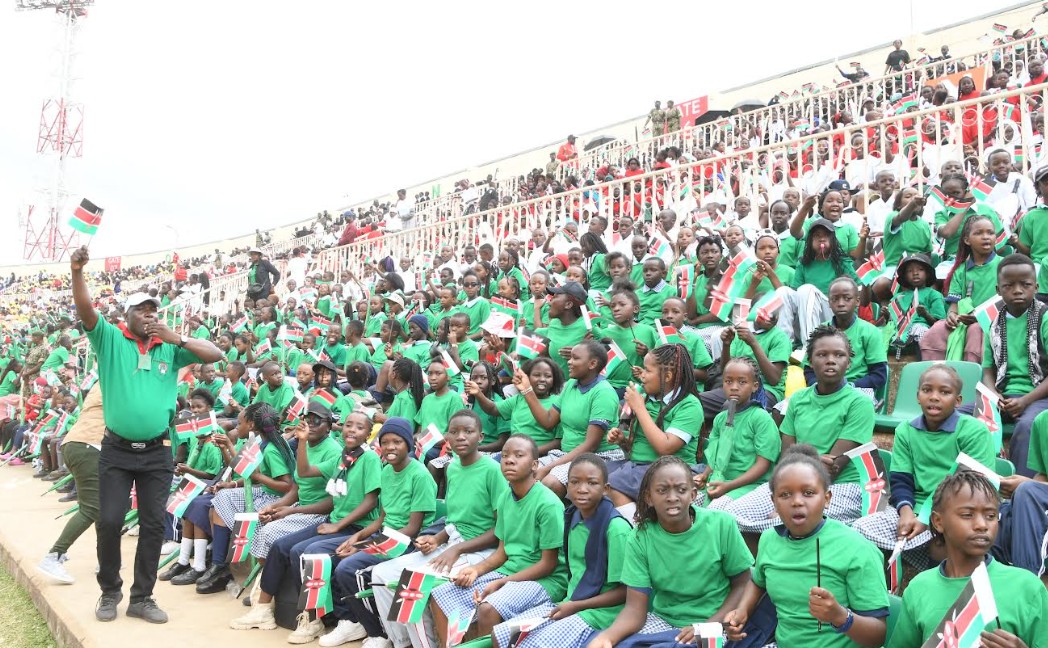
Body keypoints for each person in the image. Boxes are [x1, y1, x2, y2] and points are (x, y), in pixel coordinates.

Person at [70, 245, 223, 624]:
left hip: (157, 451)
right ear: (127, 317)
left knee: (153, 525)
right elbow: (86, 310)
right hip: (116, 450)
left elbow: (216, 354)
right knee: (109, 521)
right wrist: (77, 272)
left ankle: (142, 597)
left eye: (153, 310)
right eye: (141, 309)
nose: (150, 314)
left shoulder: (170, 348)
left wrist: (177, 338)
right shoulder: (109, 339)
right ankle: (110, 591)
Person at [724, 445, 890, 648]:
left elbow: (877, 637)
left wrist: (840, 617)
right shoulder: (769, 539)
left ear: (827, 499)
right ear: (774, 502)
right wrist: (743, 610)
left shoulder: (858, 549)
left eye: (808, 493)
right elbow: (758, 582)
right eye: (785, 495)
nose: (797, 502)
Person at [372, 410, 507, 648]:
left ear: (480, 437)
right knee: (381, 573)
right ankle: (403, 643)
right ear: (447, 438)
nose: (461, 437)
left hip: (480, 550)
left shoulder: (492, 471)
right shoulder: (452, 468)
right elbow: (455, 520)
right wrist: (437, 539)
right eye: (454, 432)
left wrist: (456, 549)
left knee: (412, 585)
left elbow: (500, 531)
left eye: (468, 431)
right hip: (453, 543)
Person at [586, 457, 754, 647]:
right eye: (662, 490)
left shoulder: (721, 524)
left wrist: (708, 626)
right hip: (664, 620)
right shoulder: (640, 537)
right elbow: (634, 609)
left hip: (717, 623)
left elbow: (743, 583)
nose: (672, 497)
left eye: (681, 490)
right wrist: (608, 637)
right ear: (649, 498)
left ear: (693, 494)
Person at [726, 326, 874, 533]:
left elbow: (832, 468)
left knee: (780, 520)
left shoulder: (860, 403)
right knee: (730, 516)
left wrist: (800, 459)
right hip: (792, 480)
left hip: (841, 487)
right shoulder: (798, 399)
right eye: (822, 354)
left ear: (848, 363)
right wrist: (812, 459)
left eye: (839, 355)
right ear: (810, 362)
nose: (830, 360)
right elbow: (786, 456)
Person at [852, 364, 994, 566]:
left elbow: (973, 487)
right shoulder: (905, 431)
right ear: (918, 396)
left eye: (944, 392)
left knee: (942, 543)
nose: (934, 397)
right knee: (860, 529)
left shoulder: (974, 431)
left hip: (955, 510)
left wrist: (927, 520)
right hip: (913, 509)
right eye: (927, 390)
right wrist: (906, 512)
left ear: (958, 400)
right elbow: (901, 480)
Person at [429, 434, 567, 639]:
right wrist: (475, 570)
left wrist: (504, 582)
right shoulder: (505, 497)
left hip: (546, 580)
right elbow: (502, 552)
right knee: (441, 595)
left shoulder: (548, 504)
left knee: (488, 607)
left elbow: (548, 565)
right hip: (509, 571)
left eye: (519, 455)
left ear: (534, 465)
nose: (509, 460)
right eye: (505, 455)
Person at [888, 472, 1048, 647]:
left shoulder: (1027, 587)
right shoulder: (919, 588)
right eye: (967, 514)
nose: (982, 525)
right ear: (938, 521)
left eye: (991, 516)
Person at [491, 454, 632, 647]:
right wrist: (571, 604)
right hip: (572, 601)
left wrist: (576, 606)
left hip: (602, 613)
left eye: (592, 483)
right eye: (575, 482)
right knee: (502, 634)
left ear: (606, 489)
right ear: (567, 486)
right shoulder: (573, 518)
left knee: (532, 644)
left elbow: (626, 592)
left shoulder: (616, 529)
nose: (582, 489)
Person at [974, 254, 1048, 477]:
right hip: (1004, 396)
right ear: (998, 289)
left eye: (1025, 284)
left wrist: (1025, 400)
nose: (1017, 290)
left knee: (1028, 426)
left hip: (1039, 396)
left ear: (1036, 287)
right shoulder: (994, 322)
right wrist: (993, 395)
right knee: (960, 417)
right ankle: (973, 483)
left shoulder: (1044, 318)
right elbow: (988, 369)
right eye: (1009, 285)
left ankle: (1019, 487)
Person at [36, 385, 104, 585]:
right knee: (91, 509)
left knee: (102, 507)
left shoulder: (104, 380)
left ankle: (106, 559)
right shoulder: (118, 380)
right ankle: (54, 555)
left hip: (80, 444)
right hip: (90, 446)